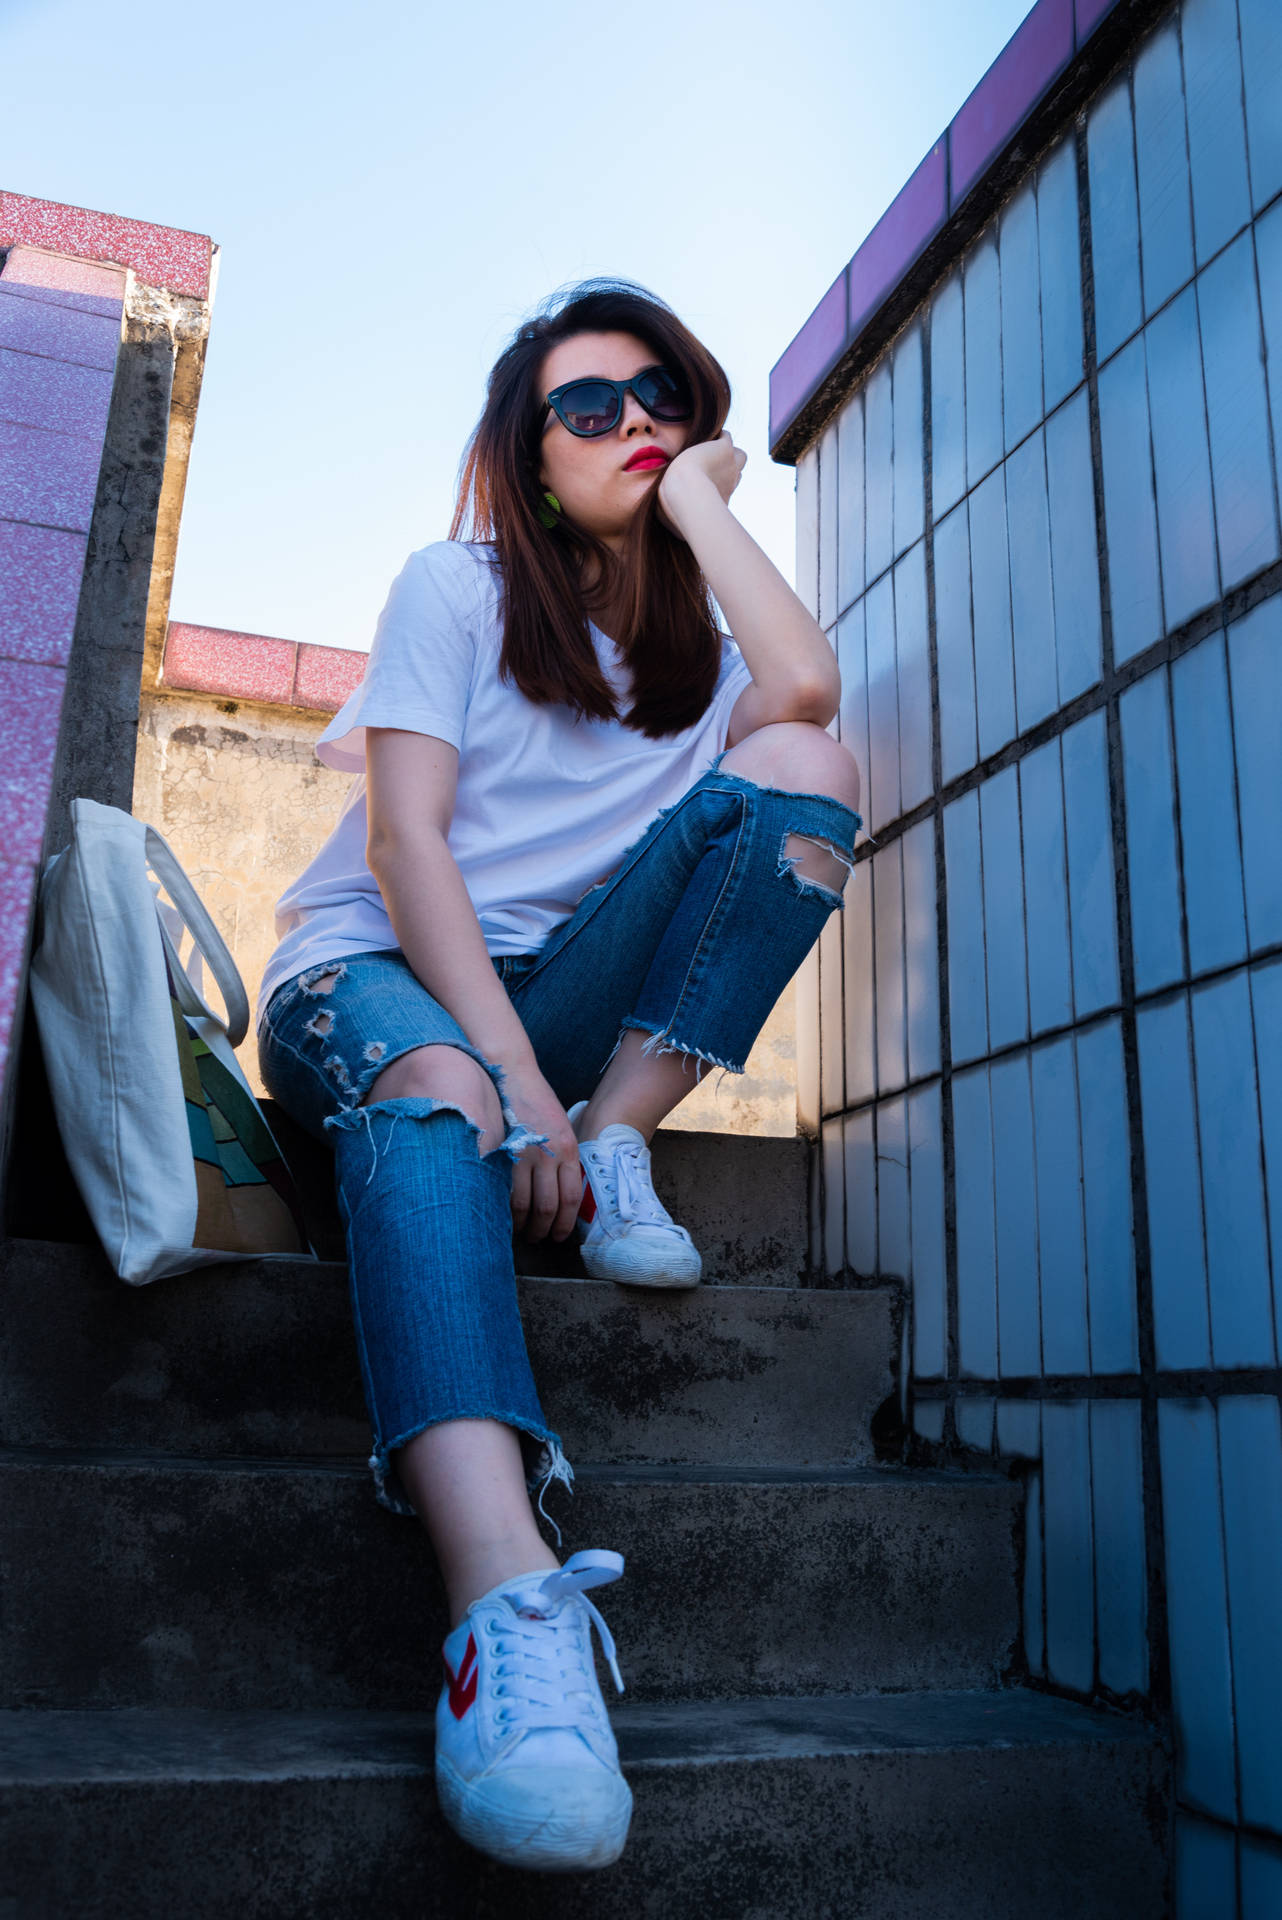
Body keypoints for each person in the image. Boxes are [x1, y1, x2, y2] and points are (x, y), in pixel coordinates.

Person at [256, 278, 862, 1874]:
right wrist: (513, 1086)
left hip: (560, 1014)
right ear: (526, 459)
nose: (633, 421)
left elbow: (801, 699)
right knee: (443, 1098)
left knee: (803, 778)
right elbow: (403, 849)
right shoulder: (451, 589)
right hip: (374, 972)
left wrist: (707, 502)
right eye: (586, 407)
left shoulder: (693, 647)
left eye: (658, 394)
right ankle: (502, 1614)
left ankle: (619, 1144)